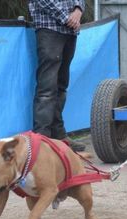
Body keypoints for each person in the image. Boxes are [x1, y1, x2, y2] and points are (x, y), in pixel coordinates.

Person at [28, 0, 86, 151]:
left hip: (70, 31)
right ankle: (41, 141)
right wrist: (67, 18)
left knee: (61, 86)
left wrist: (78, 10)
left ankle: (58, 136)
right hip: (49, 28)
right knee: (47, 88)